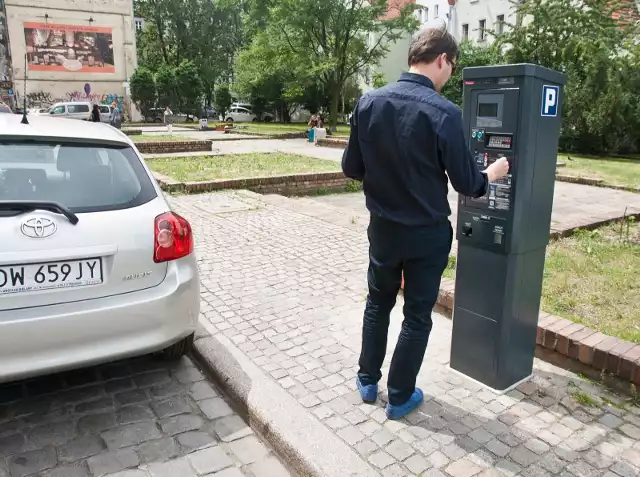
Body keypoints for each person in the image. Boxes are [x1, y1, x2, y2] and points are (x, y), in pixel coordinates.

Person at [342, 27, 509, 420]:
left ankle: (367, 380)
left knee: (377, 302)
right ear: (442, 60)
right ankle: (399, 396)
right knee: (417, 314)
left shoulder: (368, 102)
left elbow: (352, 167)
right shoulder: (444, 112)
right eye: (452, 65)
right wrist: (494, 173)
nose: (451, 72)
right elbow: (468, 183)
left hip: (382, 228)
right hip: (425, 235)